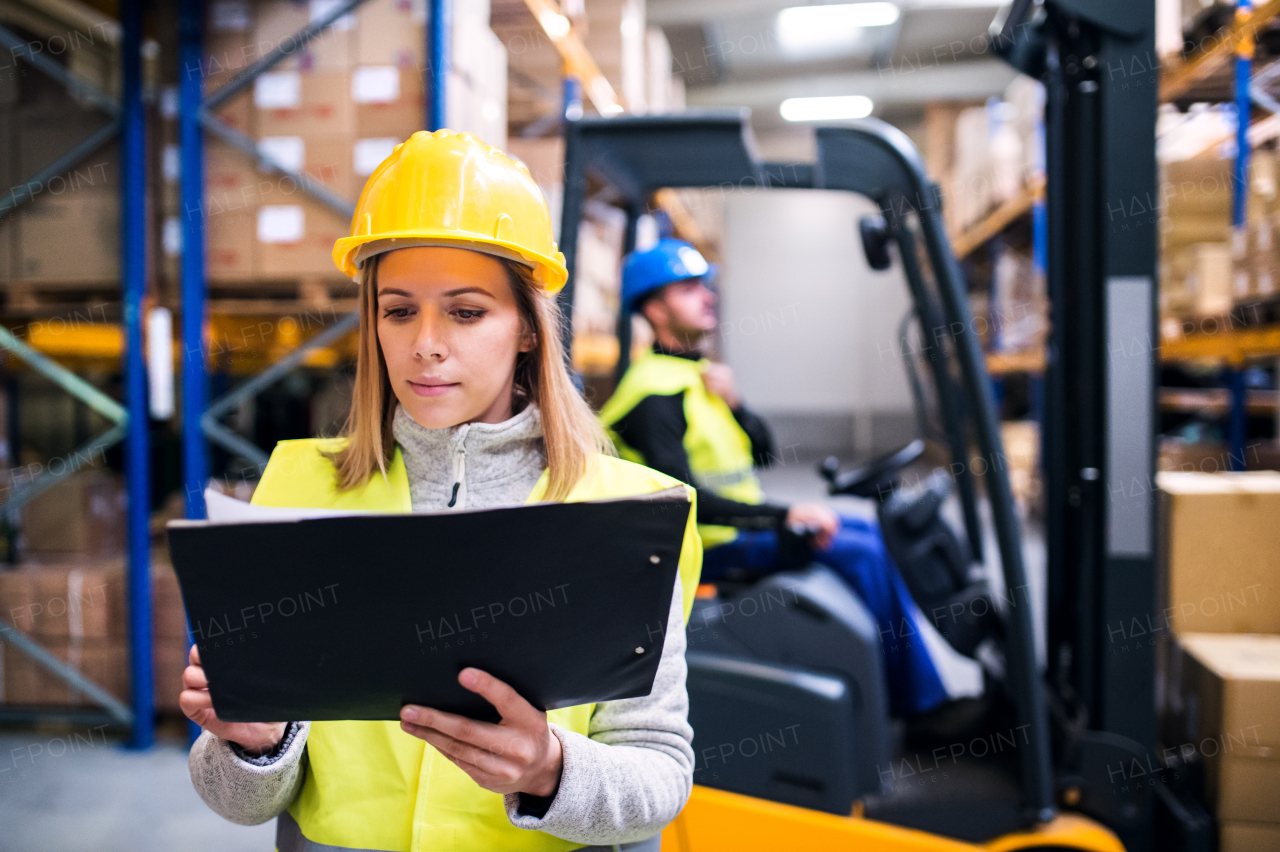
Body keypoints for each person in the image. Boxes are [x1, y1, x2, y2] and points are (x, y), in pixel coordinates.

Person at [182, 131, 702, 852]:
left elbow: (660, 779)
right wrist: (254, 745)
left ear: (526, 328)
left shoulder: (620, 513)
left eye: (465, 312)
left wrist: (550, 769)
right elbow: (236, 801)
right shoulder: (298, 492)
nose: (425, 343)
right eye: (398, 311)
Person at [599, 238, 982, 719]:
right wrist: (785, 514)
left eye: (705, 285)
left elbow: (763, 454)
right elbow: (686, 499)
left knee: (869, 530)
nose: (707, 296)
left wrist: (738, 406)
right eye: (688, 289)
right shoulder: (655, 394)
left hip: (739, 530)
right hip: (711, 549)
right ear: (654, 309)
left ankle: (913, 683)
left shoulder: (699, 378)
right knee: (860, 551)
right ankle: (923, 707)